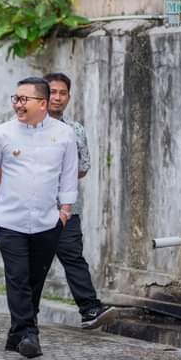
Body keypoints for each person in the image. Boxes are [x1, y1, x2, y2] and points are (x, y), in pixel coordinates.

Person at [0, 77, 78, 359]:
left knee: (35, 280)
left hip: (47, 221)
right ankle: (30, 333)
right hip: (10, 221)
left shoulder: (64, 135)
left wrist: (64, 211)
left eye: (23, 99)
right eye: (15, 98)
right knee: (17, 277)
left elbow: (68, 174)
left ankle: (17, 333)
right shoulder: (3, 133)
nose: (18, 104)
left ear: (42, 103)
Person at [44, 72, 115, 329]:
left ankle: (90, 310)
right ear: (42, 94)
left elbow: (84, 166)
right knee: (31, 264)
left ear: (69, 97)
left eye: (63, 93)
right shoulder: (27, 127)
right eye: (52, 92)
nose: (58, 98)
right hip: (33, 209)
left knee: (73, 257)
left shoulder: (75, 130)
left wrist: (59, 172)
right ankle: (23, 317)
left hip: (67, 208)